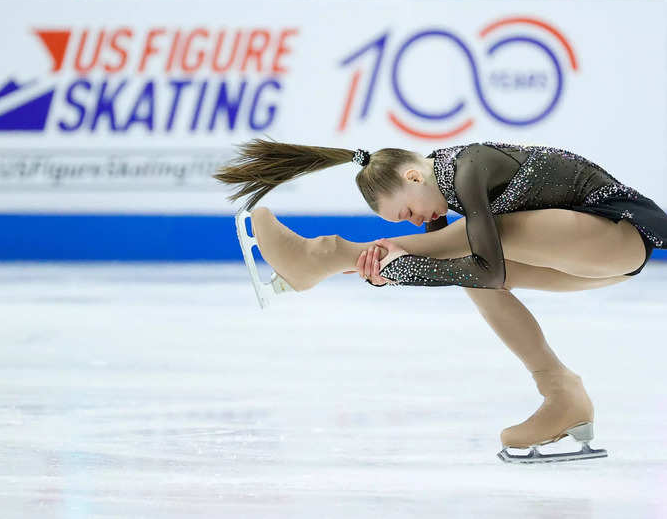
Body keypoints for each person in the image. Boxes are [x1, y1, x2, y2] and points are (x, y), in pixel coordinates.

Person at [213, 137, 667, 463]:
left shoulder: (467, 168)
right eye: (405, 222)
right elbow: (476, 275)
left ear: (413, 175)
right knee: (467, 266)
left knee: (481, 243)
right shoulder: (446, 189)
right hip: (592, 257)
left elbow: (486, 263)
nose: (415, 222)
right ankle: (563, 395)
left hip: (618, 235)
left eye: (407, 212)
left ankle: (326, 255)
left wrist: (402, 269)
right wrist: (395, 269)